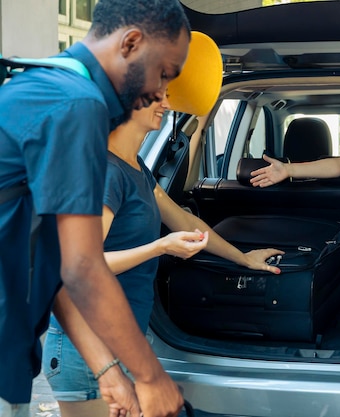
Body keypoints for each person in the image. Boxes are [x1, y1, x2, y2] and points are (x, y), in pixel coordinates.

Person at [0, 1, 191, 416]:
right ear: (131, 43)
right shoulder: (78, 106)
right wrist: (150, 376)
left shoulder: (52, 85)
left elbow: (58, 265)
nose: (161, 94)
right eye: (164, 73)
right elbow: (84, 268)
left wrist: (109, 372)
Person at [42, 95, 284, 417]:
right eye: (155, 95)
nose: (166, 104)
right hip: (89, 352)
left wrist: (242, 258)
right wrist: (159, 247)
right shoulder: (105, 172)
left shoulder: (136, 166)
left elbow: (183, 221)